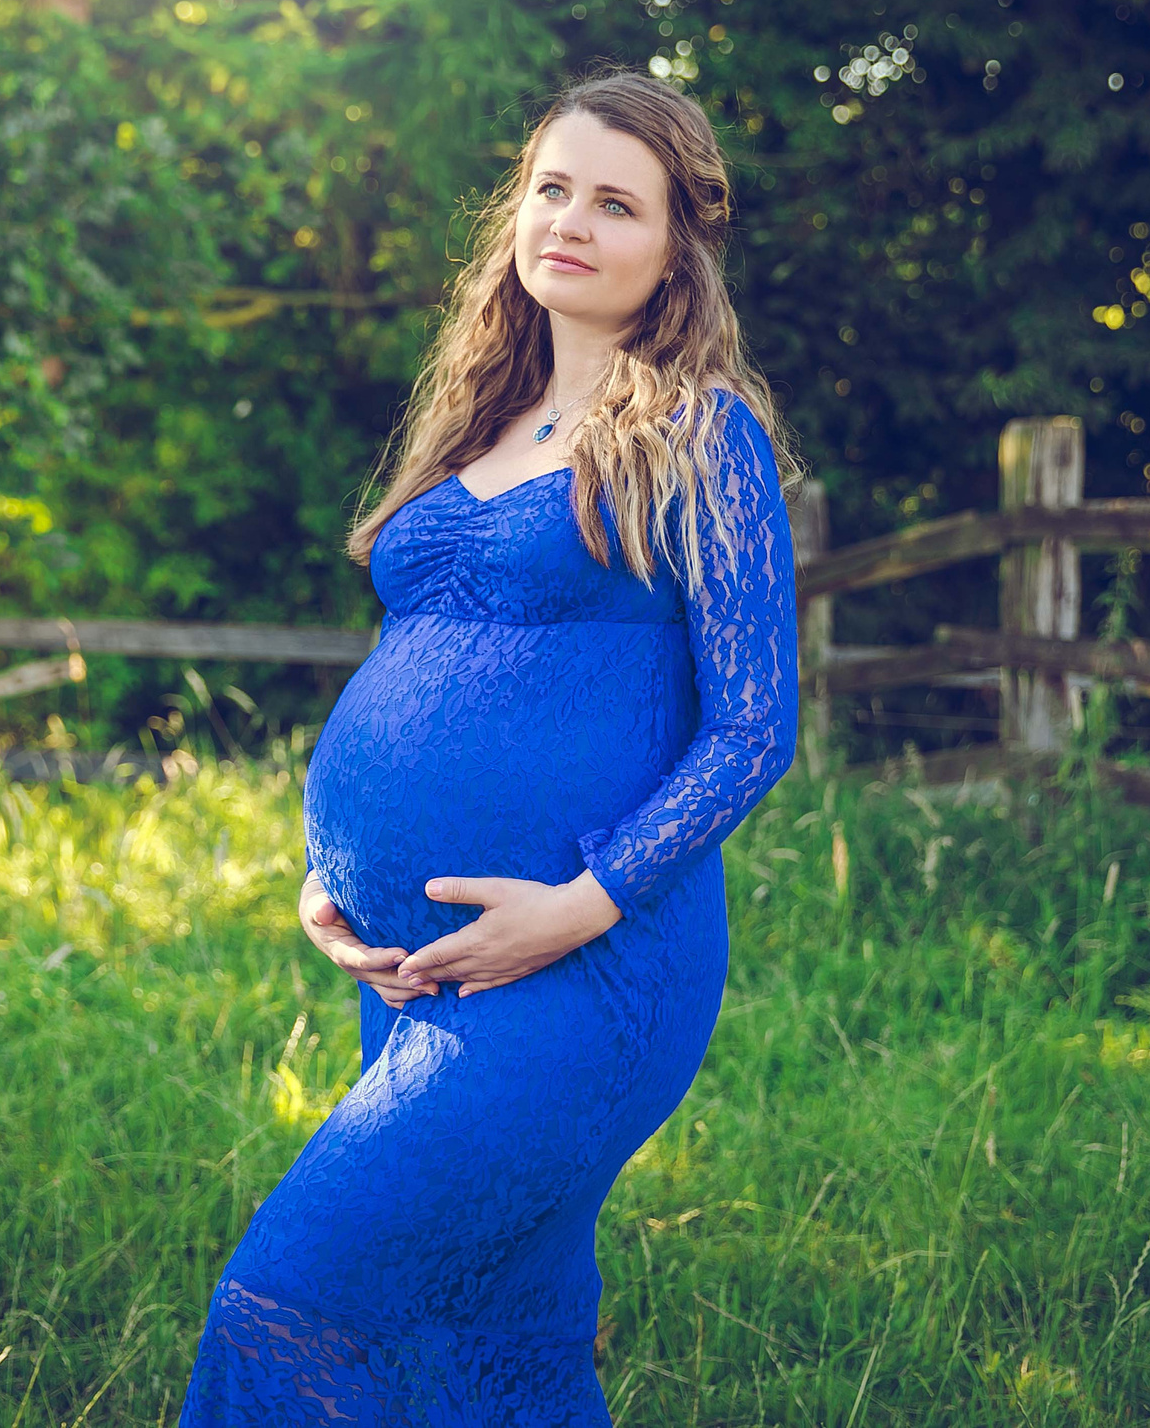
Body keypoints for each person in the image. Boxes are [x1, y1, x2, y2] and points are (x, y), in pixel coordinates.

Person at [178, 69, 800, 1426]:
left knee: (289, 1299)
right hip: (411, 971)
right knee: (495, 1338)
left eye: (616, 202)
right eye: (552, 187)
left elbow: (756, 729)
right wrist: (334, 880)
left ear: (673, 249)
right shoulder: (480, 422)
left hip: (590, 969)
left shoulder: (702, 435)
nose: (571, 219)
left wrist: (575, 908)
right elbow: (423, 675)